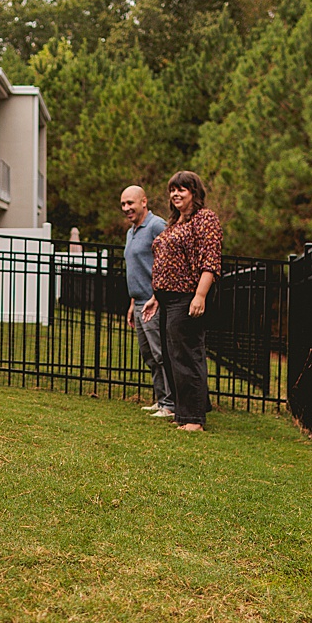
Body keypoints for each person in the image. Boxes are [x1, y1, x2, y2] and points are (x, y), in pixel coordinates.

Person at [142, 171, 222, 432]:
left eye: (181, 189)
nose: (175, 194)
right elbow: (167, 264)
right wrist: (156, 297)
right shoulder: (175, 223)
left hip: (187, 297)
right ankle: (183, 413)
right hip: (167, 299)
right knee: (172, 357)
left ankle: (194, 419)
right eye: (172, 190)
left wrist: (200, 295)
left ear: (194, 192)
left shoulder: (205, 219)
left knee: (187, 356)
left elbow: (210, 261)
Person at [120, 185, 171, 417]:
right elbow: (137, 270)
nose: (126, 208)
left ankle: (171, 404)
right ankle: (161, 400)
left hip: (154, 303)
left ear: (144, 202)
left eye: (130, 203)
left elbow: (169, 262)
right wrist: (132, 304)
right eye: (123, 204)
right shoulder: (131, 231)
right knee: (149, 356)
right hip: (139, 302)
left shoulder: (156, 226)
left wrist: (156, 296)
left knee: (161, 354)